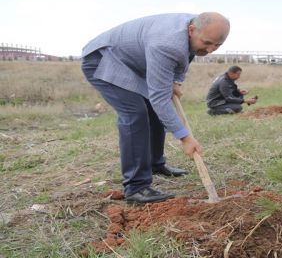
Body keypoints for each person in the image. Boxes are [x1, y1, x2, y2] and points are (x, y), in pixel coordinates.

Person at [81, 12, 231, 204]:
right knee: (135, 113)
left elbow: (185, 57)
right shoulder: (167, 42)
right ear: (192, 30)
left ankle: (155, 164)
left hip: (135, 62)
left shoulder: (198, 28)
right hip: (103, 60)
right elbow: (159, 97)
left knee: (154, 111)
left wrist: (175, 81)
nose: (211, 50)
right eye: (207, 43)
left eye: (217, 45)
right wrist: (184, 137)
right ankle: (136, 188)